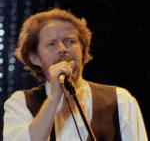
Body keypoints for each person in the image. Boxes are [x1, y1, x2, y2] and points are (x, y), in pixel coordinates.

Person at [3, 8, 148, 141]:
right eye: (51, 44)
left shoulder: (119, 100)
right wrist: (54, 98)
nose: (62, 49)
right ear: (35, 58)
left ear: (83, 50)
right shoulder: (21, 103)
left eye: (70, 41)